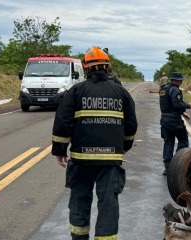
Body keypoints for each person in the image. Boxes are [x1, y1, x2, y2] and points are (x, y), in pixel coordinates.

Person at [51, 46, 137, 240]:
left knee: (79, 201)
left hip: (81, 159)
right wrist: (125, 146)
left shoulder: (76, 91)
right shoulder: (121, 93)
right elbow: (131, 125)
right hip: (110, 160)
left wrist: (60, 150)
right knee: (108, 203)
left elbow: (63, 121)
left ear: (86, 68)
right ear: (107, 67)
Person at [159, 72, 191, 175]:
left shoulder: (164, 89)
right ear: (175, 80)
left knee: (168, 142)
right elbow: (177, 104)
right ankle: (178, 165)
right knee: (183, 140)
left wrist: (183, 113)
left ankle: (168, 167)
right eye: (180, 80)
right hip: (174, 120)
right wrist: (188, 105)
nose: (181, 82)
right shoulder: (175, 89)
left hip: (164, 119)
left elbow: (169, 105)